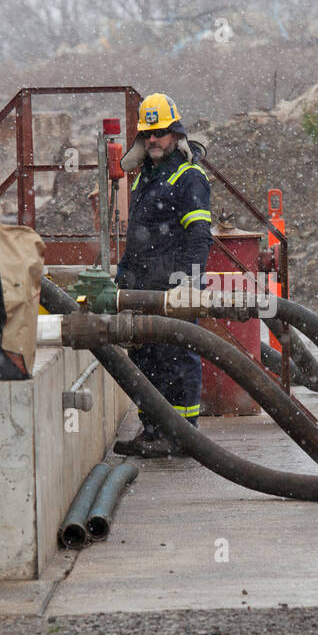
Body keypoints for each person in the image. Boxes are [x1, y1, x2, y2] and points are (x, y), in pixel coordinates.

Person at [112, 93, 212, 458]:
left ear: (175, 133)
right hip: (141, 291)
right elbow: (136, 238)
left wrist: (188, 283)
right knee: (145, 361)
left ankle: (183, 435)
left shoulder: (189, 178)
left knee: (177, 359)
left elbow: (199, 237)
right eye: (147, 134)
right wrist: (123, 276)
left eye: (159, 133)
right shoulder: (144, 178)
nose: (153, 140)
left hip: (172, 290)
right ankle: (153, 430)